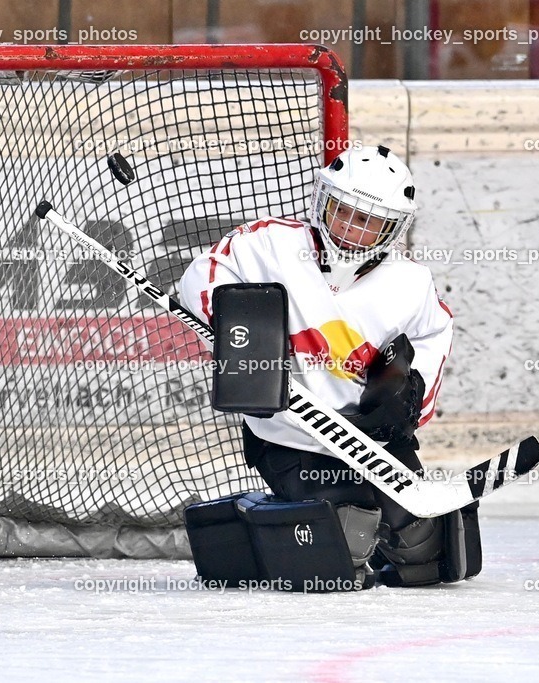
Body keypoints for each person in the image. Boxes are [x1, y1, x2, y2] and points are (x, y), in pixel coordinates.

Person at [179, 144, 464, 587]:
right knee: (342, 541)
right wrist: (244, 345)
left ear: (392, 229)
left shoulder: (410, 283)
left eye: (370, 222)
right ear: (321, 202)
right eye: (342, 211)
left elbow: (434, 333)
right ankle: (253, 525)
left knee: (428, 553)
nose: (351, 228)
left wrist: (410, 398)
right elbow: (201, 275)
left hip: (372, 440)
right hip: (291, 436)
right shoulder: (269, 245)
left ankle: (327, 525)